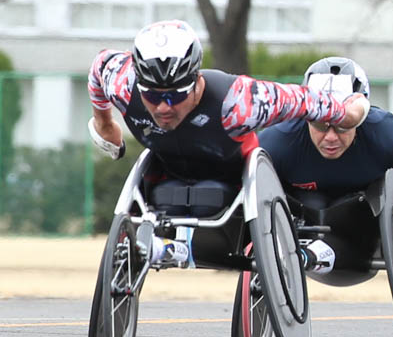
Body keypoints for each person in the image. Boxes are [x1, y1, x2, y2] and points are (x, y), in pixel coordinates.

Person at [86, 20, 368, 268]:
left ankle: (179, 248)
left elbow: (304, 101)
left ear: (196, 81)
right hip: (165, 173)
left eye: (174, 96)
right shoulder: (124, 83)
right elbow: (99, 66)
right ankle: (168, 247)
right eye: (152, 95)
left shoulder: (240, 102)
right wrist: (105, 123)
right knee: (161, 185)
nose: (162, 108)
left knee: (213, 196)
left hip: (232, 184)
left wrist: (348, 113)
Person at [258, 57, 393, 277]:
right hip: (300, 217)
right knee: (310, 202)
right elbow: (244, 178)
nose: (330, 137)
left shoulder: (383, 132)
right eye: (320, 124)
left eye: (342, 125)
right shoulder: (281, 138)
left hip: (361, 226)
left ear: (359, 117)